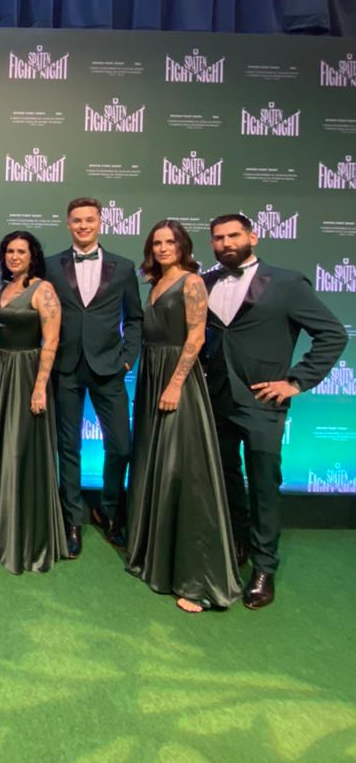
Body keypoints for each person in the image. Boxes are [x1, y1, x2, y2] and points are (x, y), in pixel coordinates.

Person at [202, 213, 346, 610]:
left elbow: (333, 334)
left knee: (264, 484)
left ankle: (264, 567)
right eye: (219, 238)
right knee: (225, 477)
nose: (226, 243)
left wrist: (296, 381)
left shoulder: (287, 283)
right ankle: (237, 543)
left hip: (263, 402)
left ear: (253, 237)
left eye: (234, 235)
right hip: (214, 398)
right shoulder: (205, 282)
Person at [125, 221, 241, 612]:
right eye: (157, 243)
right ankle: (155, 557)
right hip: (152, 376)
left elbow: (196, 336)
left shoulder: (191, 282)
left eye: (170, 242)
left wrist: (175, 384)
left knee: (182, 470)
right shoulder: (155, 283)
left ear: (183, 246)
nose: (163, 248)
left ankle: (197, 580)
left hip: (178, 379)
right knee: (156, 464)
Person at [44, 197, 143, 558]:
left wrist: (128, 360)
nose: (83, 226)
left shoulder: (124, 266)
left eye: (89, 220)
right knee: (67, 446)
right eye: (77, 220)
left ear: (101, 222)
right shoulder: (50, 265)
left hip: (109, 368)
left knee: (121, 446)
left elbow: (135, 319)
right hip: (65, 367)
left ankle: (109, 508)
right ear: (68, 224)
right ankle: (72, 518)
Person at [0, 231, 66, 575]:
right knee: (2, 444)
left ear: (33, 256)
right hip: (0, 371)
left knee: (20, 448)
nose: (15, 256)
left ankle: (24, 535)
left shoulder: (43, 289)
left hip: (27, 372)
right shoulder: (4, 288)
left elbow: (51, 339)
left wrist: (40, 386)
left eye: (21, 252)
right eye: (10, 251)